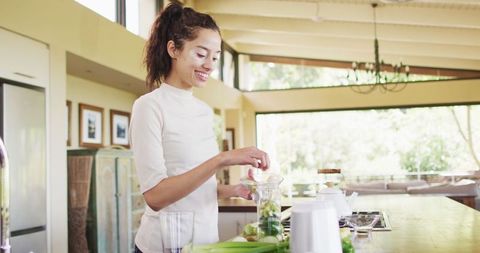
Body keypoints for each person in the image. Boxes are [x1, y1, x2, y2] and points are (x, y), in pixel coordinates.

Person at [129, 2, 270, 252]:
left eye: (214, 57)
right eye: (201, 54)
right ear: (173, 49)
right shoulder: (149, 107)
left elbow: (196, 183)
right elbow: (155, 196)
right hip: (164, 245)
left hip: (205, 243)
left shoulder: (204, 111)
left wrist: (231, 189)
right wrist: (222, 159)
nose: (209, 65)